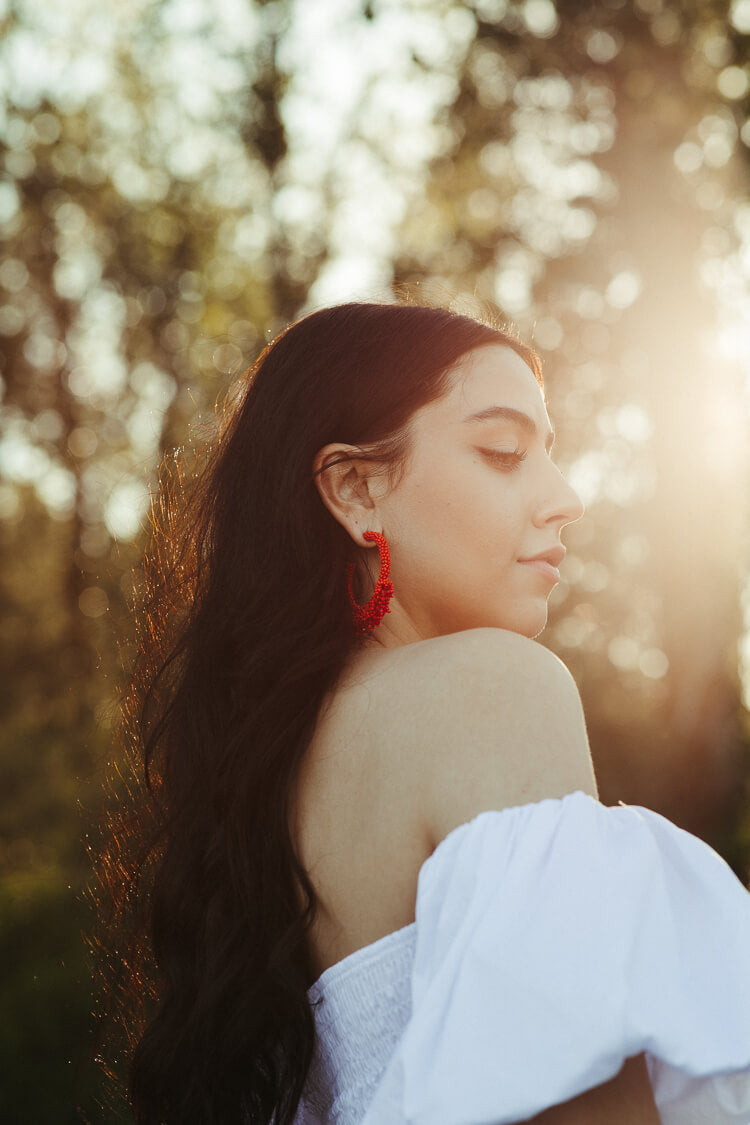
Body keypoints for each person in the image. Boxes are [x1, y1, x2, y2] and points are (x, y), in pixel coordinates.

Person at [93, 300, 750, 1125]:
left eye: (551, 453)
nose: (566, 498)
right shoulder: (494, 686)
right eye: (504, 452)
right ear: (355, 489)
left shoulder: (256, 783)